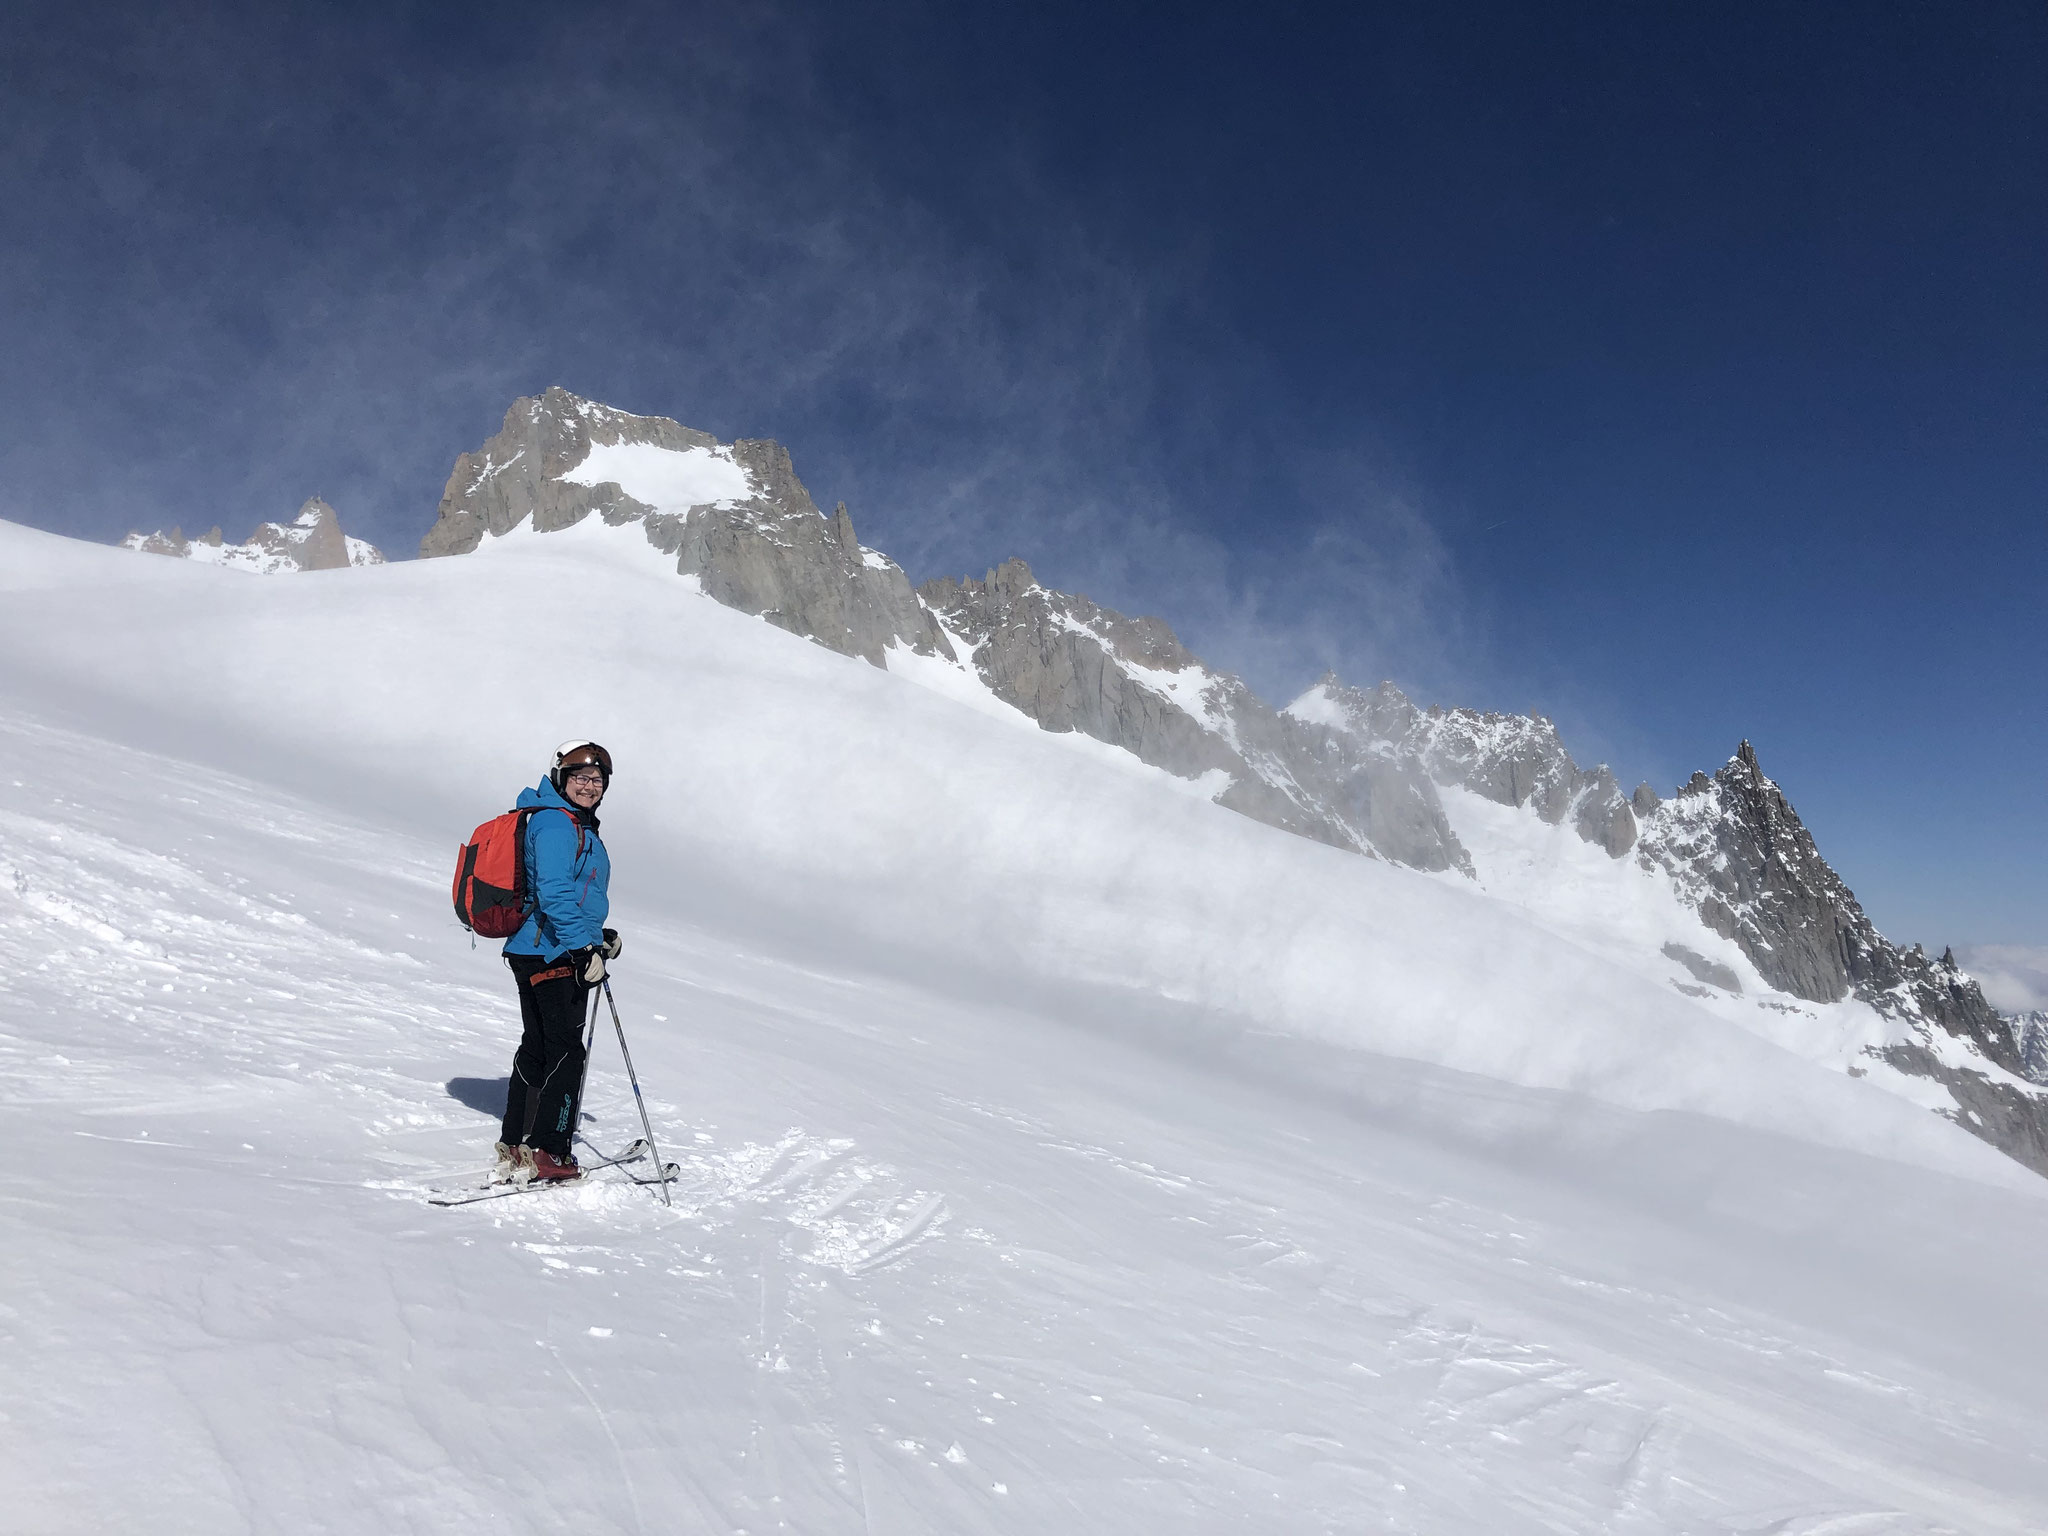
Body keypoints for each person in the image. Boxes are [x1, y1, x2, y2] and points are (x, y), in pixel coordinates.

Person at [495, 740, 623, 1183]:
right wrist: (581, 948)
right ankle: (549, 1148)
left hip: (540, 946)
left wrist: (596, 937)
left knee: (541, 1045)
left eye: (596, 780)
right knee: (566, 1051)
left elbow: (571, 894)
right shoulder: (555, 824)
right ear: (560, 778)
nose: (589, 786)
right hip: (551, 951)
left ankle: (518, 1142)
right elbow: (553, 892)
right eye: (580, 778)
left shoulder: (568, 821)